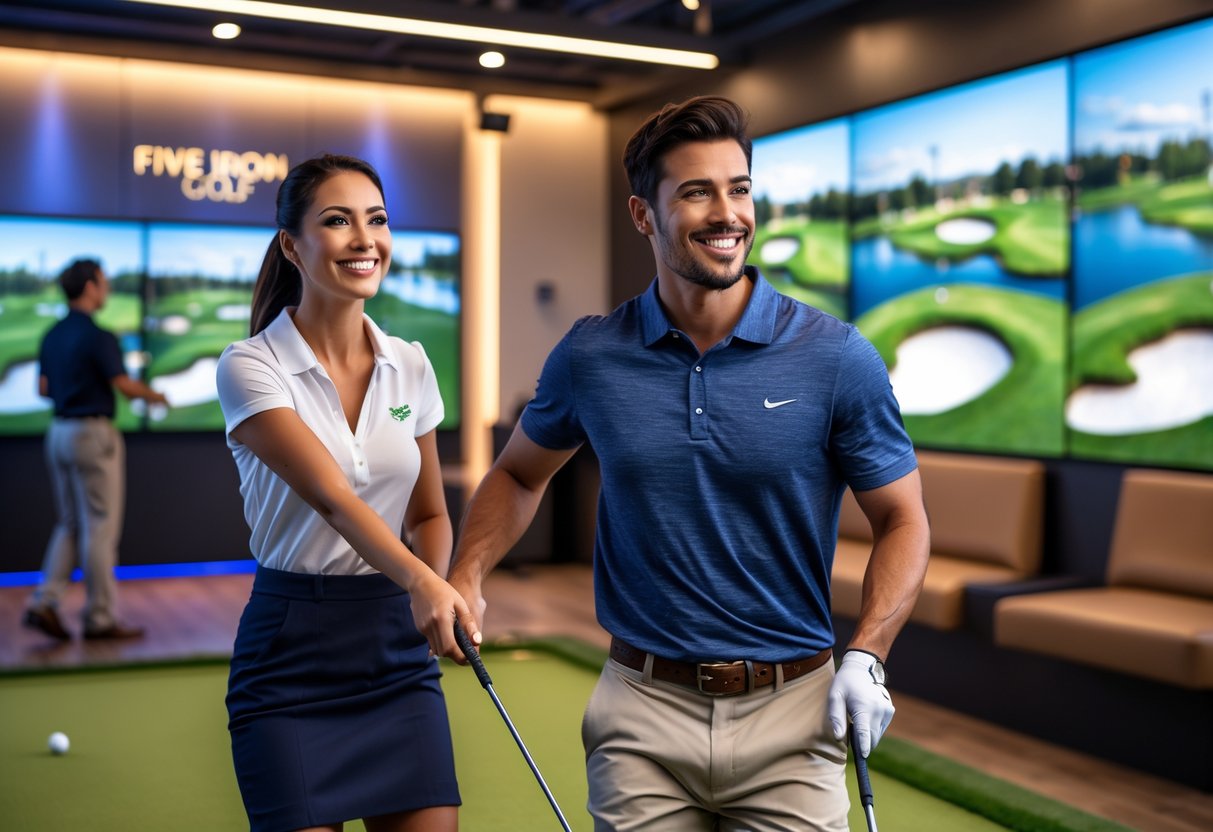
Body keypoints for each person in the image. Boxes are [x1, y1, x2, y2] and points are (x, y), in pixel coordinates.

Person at [447, 96, 931, 831]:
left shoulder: (835, 356)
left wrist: (867, 654)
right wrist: (466, 575)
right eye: (696, 191)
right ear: (643, 215)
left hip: (796, 716)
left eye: (738, 188)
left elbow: (902, 519)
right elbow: (518, 474)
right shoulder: (590, 354)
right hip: (640, 712)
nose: (726, 212)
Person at [215, 153, 477, 832]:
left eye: (377, 220)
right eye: (337, 221)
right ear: (291, 245)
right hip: (290, 654)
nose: (365, 239)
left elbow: (427, 511)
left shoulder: (411, 364)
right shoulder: (249, 366)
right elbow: (331, 495)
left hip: (396, 657)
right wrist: (422, 582)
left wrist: (437, 590)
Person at [23, 258, 169, 642]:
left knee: (70, 523)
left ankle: (44, 601)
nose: (106, 289)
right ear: (89, 287)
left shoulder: (51, 334)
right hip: (92, 433)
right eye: (103, 282)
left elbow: (42, 388)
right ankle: (100, 618)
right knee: (100, 529)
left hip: (58, 432)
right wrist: (156, 395)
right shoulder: (99, 336)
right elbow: (124, 385)